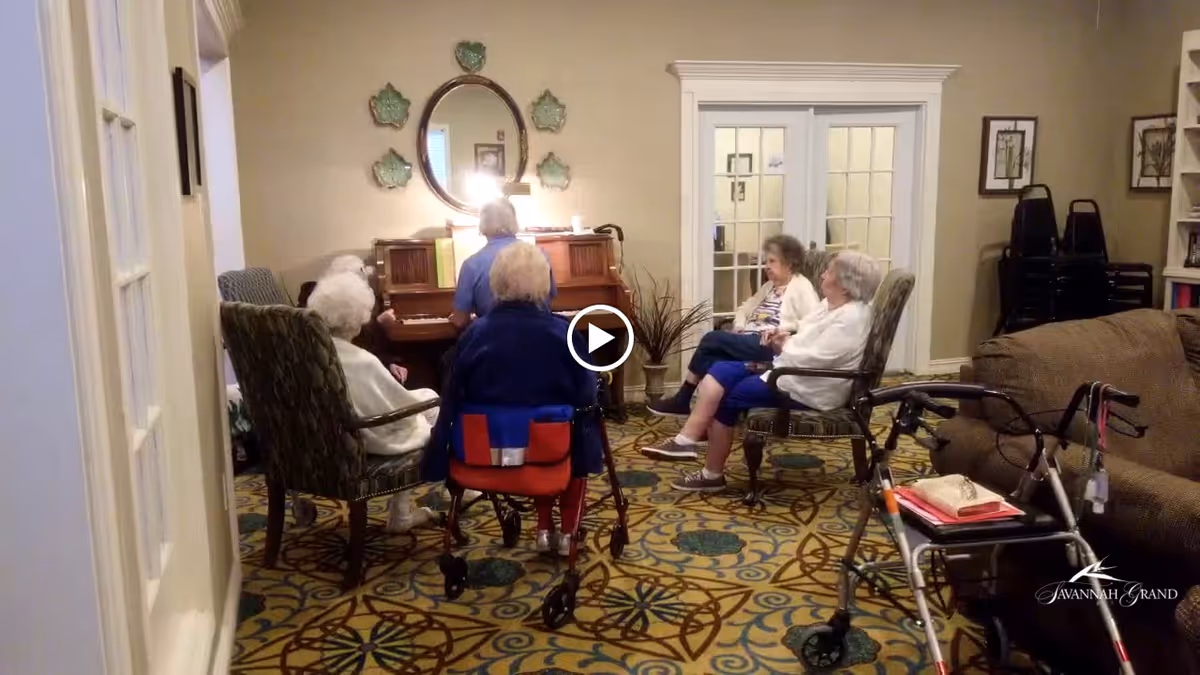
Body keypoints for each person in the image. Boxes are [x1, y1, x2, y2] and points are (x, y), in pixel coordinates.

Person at [639, 250, 883, 490]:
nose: (822, 275)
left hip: (809, 387)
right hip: (789, 369)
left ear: (845, 285)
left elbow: (821, 358)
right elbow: (806, 336)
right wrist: (783, 336)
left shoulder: (852, 318)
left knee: (729, 394)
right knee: (720, 370)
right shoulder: (830, 305)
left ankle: (712, 474)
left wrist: (782, 346)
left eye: (829, 272)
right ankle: (686, 441)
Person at [424, 241, 604, 555]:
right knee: (570, 430)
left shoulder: (474, 334)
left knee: (543, 428)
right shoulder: (563, 333)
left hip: (483, 451)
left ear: (496, 282)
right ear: (543, 282)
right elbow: (586, 395)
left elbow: (451, 395)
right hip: (549, 450)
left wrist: (438, 457)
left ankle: (544, 530)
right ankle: (563, 533)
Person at [307, 269, 441, 532]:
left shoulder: (312, 353)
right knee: (432, 403)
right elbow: (397, 407)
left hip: (319, 442)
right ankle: (401, 513)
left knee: (424, 398)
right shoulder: (361, 360)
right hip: (361, 443)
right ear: (357, 318)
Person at [646, 236, 820, 430]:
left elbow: (812, 323)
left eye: (772, 261)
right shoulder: (768, 287)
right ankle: (707, 425)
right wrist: (739, 326)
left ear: (789, 264)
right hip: (749, 338)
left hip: (770, 345)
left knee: (712, 338)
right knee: (715, 360)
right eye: (766, 261)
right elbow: (744, 309)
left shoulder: (802, 287)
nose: (766, 266)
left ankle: (683, 399)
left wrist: (781, 330)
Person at [448, 199, 557, 331]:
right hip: (542, 340)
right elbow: (548, 302)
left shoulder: (471, 264)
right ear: (514, 221)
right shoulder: (540, 256)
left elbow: (460, 321)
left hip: (493, 342)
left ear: (483, 225)